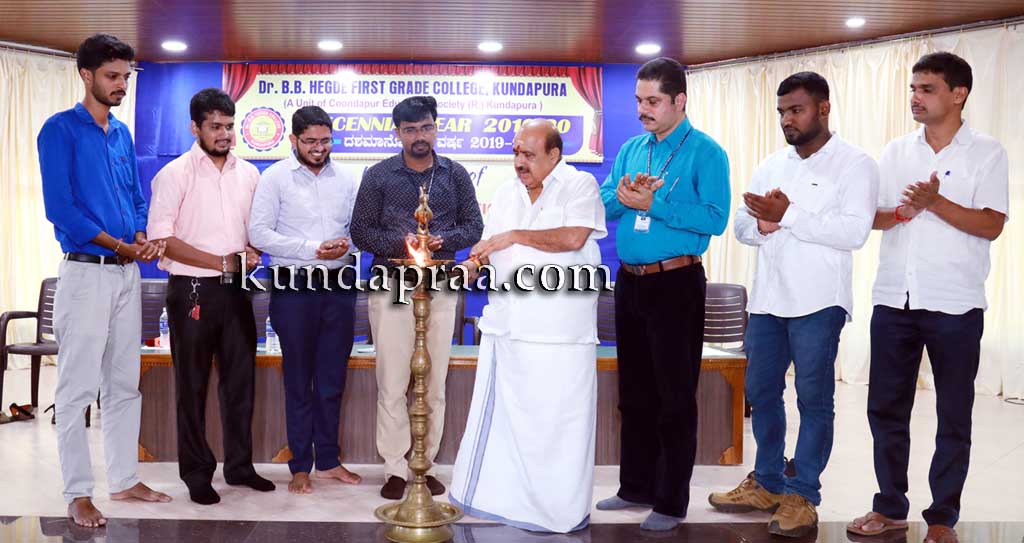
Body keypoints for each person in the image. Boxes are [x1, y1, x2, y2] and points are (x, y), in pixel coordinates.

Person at [708, 72, 878, 538]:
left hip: (819, 301)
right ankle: (767, 481)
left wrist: (788, 216)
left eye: (796, 110)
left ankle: (803, 494)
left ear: (824, 108)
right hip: (768, 300)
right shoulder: (771, 164)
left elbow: (854, 231)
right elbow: (742, 226)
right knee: (761, 391)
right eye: (782, 111)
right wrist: (763, 225)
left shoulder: (855, 164)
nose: (787, 119)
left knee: (812, 398)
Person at [847, 52, 1008, 543]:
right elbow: (873, 217)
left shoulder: (987, 152)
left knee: (953, 414)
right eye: (913, 89)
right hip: (894, 299)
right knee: (885, 409)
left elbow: (992, 224)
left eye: (927, 89)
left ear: (959, 94)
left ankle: (942, 518)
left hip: (955, 304)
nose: (915, 97)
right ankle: (889, 507)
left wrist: (935, 202)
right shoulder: (897, 151)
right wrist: (902, 212)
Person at [38, 33, 172, 528]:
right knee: (76, 390)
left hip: (126, 275)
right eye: (112, 76)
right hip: (85, 274)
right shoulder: (59, 130)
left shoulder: (121, 134)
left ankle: (124, 479)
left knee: (123, 384)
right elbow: (62, 209)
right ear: (86, 75)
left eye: (126, 77)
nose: (121, 85)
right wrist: (120, 246)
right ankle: (77, 493)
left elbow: (135, 196)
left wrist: (139, 236)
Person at [448, 120, 606, 533]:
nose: (519, 162)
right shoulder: (505, 192)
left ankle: (558, 512)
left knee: (558, 426)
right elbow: (488, 246)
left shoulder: (580, 185)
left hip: (561, 333)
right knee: (509, 425)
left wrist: (513, 237)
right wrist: (472, 264)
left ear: (554, 155)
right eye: (516, 152)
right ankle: (503, 502)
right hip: (510, 328)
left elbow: (573, 238)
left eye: (529, 154)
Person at [595, 56, 731, 531]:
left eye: (652, 101)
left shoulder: (707, 153)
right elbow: (605, 202)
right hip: (630, 281)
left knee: (674, 396)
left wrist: (657, 203)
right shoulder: (633, 149)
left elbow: (715, 218)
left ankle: (671, 502)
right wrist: (626, 194)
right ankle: (635, 486)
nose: (642, 110)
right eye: (639, 100)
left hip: (676, 284)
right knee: (633, 393)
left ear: (679, 100)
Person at [350, 96, 484, 499]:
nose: (419, 136)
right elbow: (361, 231)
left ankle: (425, 464)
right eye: (410, 130)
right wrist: (404, 243)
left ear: (436, 128)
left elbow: (474, 226)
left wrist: (442, 240)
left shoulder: (454, 175)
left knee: (434, 380)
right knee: (392, 380)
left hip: (440, 282)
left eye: (425, 127)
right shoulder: (378, 175)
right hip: (392, 283)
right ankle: (394, 468)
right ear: (398, 133)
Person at [147, 88, 274, 505]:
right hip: (192, 290)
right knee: (192, 384)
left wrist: (251, 251)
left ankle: (239, 466)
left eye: (229, 126)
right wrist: (221, 262)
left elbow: (254, 232)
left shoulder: (249, 174)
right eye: (215, 126)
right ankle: (196, 472)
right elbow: (162, 239)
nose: (224, 134)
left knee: (241, 383)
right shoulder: (174, 174)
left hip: (238, 289)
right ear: (195, 127)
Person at [248, 106, 362, 494]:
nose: (318, 148)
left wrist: (346, 246)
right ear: (293, 139)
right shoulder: (274, 178)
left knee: (332, 378)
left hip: (340, 285)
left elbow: (359, 230)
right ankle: (300, 465)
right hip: (293, 286)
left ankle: (328, 461)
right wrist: (313, 249)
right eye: (310, 141)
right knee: (299, 378)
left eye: (325, 141)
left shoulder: (347, 178)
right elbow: (259, 233)